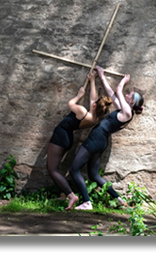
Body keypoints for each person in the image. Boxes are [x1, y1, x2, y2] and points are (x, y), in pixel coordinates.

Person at [69, 65, 144, 210]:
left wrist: (124, 80)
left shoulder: (127, 112)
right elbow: (113, 94)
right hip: (101, 141)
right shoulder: (125, 111)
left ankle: (86, 202)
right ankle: (119, 199)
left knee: (74, 169)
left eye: (130, 95)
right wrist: (102, 76)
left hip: (96, 139)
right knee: (93, 175)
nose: (127, 95)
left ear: (131, 102)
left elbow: (117, 91)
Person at [47, 70, 112, 210]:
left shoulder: (82, 111)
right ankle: (64, 194)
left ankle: (71, 195)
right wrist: (93, 80)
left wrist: (79, 95)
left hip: (61, 136)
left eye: (94, 103)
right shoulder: (94, 118)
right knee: (56, 168)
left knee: (52, 169)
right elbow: (92, 101)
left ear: (95, 106)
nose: (92, 102)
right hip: (68, 138)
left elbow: (70, 104)